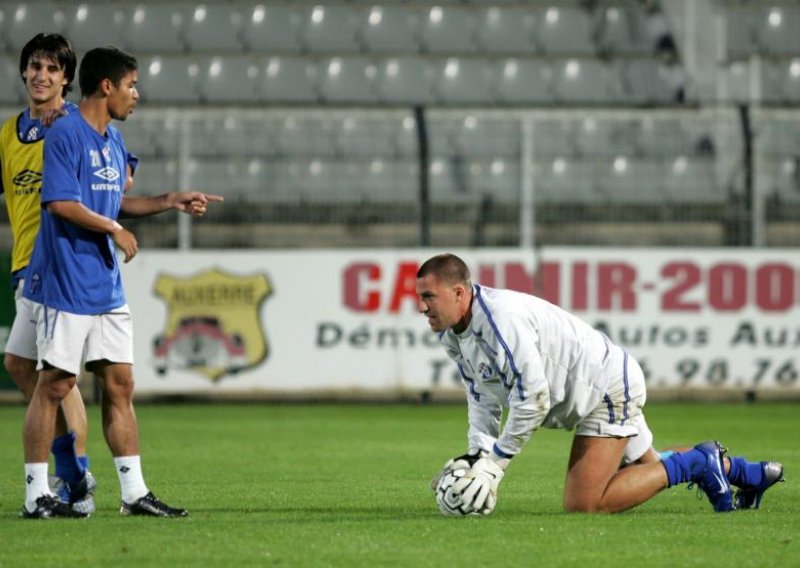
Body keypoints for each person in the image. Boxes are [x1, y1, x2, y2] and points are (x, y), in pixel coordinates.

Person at [20, 45, 223, 519]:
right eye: (132, 84)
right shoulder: (65, 132)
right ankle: (35, 494)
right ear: (107, 86)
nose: (137, 94)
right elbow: (60, 203)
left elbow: (112, 202)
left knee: (120, 384)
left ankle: (133, 493)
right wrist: (113, 229)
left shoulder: (110, 141)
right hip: (66, 279)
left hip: (105, 285)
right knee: (54, 383)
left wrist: (170, 199)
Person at [417, 253, 784, 514]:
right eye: (420, 297)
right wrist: (477, 453)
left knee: (585, 503)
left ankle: (700, 463)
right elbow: (481, 396)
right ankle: (748, 474)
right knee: (647, 469)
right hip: (599, 382)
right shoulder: (453, 335)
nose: (422, 306)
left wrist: (495, 464)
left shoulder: (501, 320)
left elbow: (533, 398)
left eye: (429, 296)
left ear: (460, 293)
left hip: (605, 389)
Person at [1, 33, 97, 514]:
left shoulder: (77, 124)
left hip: (60, 264)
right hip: (25, 263)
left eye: (52, 70)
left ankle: (75, 475)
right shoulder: (8, 132)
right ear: (23, 72)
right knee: (22, 366)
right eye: (35, 67)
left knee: (56, 378)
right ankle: (74, 470)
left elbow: (118, 173)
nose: (41, 76)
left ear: (66, 79)